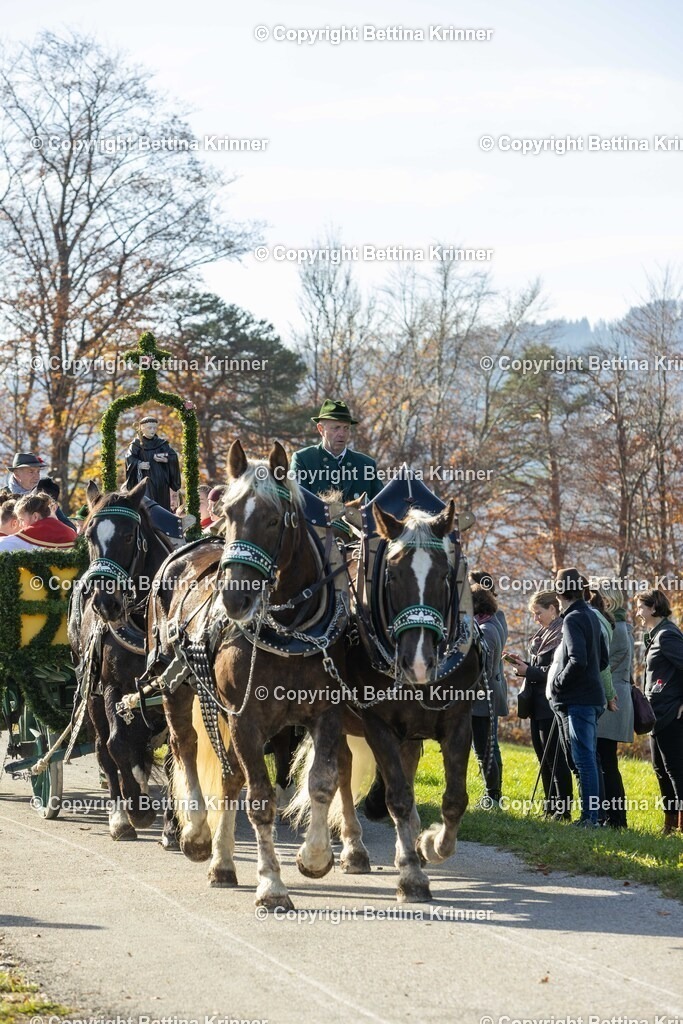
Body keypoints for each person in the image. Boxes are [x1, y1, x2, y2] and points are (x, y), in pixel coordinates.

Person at [549, 566, 608, 827]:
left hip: (580, 700)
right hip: (593, 698)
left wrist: (559, 683)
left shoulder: (572, 619)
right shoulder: (592, 615)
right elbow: (603, 659)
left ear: (560, 594)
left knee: (583, 760)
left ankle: (590, 818)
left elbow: (578, 660)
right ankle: (592, 816)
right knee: (587, 759)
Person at [507, 591, 573, 819]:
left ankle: (562, 810)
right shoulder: (543, 633)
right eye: (534, 614)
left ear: (553, 609)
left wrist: (530, 671)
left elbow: (558, 671)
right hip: (535, 704)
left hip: (550, 704)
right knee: (542, 757)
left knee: (555, 758)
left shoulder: (563, 633)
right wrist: (523, 665)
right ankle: (550, 805)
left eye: (539, 613)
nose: (536, 618)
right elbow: (538, 667)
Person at [638, 588, 683, 835]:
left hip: (671, 715)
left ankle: (680, 827)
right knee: (660, 769)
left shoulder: (667, 635)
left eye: (641, 608)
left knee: (676, 770)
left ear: (653, 608)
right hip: (656, 715)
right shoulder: (656, 635)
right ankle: (669, 826)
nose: (638, 613)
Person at [593, 584, 633, 828]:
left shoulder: (616, 627)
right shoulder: (620, 624)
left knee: (606, 761)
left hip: (612, 701)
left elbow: (605, 664)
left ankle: (616, 819)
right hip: (616, 698)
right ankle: (614, 817)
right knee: (606, 761)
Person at [290, 399, 382, 502]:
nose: (342, 433)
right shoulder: (303, 460)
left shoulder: (366, 464)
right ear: (321, 429)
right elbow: (298, 504)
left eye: (346, 428)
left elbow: (382, 506)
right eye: (336, 428)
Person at [470, 571, 508, 795]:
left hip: (484, 698)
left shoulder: (487, 629)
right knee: (484, 748)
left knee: (486, 749)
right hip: (482, 697)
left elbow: (484, 668)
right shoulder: (485, 624)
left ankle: (493, 794)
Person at [125, 416, 181, 511]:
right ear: (142, 428)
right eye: (149, 428)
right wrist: (139, 464)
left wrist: (166, 459)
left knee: (162, 506)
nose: (152, 430)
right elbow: (129, 458)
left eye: (154, 428)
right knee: (148, 505)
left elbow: (173, 456)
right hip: (145, 481)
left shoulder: (161, 444)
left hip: (161, 481)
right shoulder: (136, 445)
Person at [0, 493, 77, 551]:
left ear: (35, 516)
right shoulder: (72, 533)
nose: (20, 525)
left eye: (22, 520)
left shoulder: (14, 541)